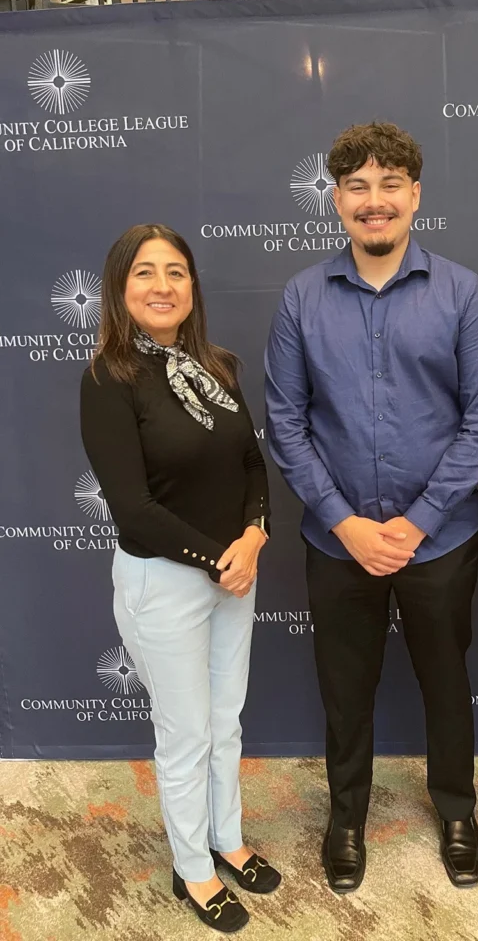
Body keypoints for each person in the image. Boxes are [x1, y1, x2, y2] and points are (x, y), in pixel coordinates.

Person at [265, 122, 478, 893]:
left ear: (415, 196)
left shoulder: (461, 292)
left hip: (441, 539)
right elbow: (286, 424)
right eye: (359, 188)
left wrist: (417, 521)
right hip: (339, 544)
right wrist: (345, 521)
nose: (376, 202)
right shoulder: (302, 298)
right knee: (346, 685)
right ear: (337, 201)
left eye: (390, 185)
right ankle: (345, 818)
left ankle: (458, 811)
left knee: (446, 679)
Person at [80, 224, 281, 934]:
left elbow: (254, 466)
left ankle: (227, 837)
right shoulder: (108, 377)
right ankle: (192, 865)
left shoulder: (216, 368)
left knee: (225, 721)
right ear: (119, 288)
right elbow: (133, 508)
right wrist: (220, 559)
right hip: (165, 583)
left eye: (176, 272)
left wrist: (255, 537)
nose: (163, 285)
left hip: (236, 571)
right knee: (187, 734)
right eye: (144, 273)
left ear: (192, 288)